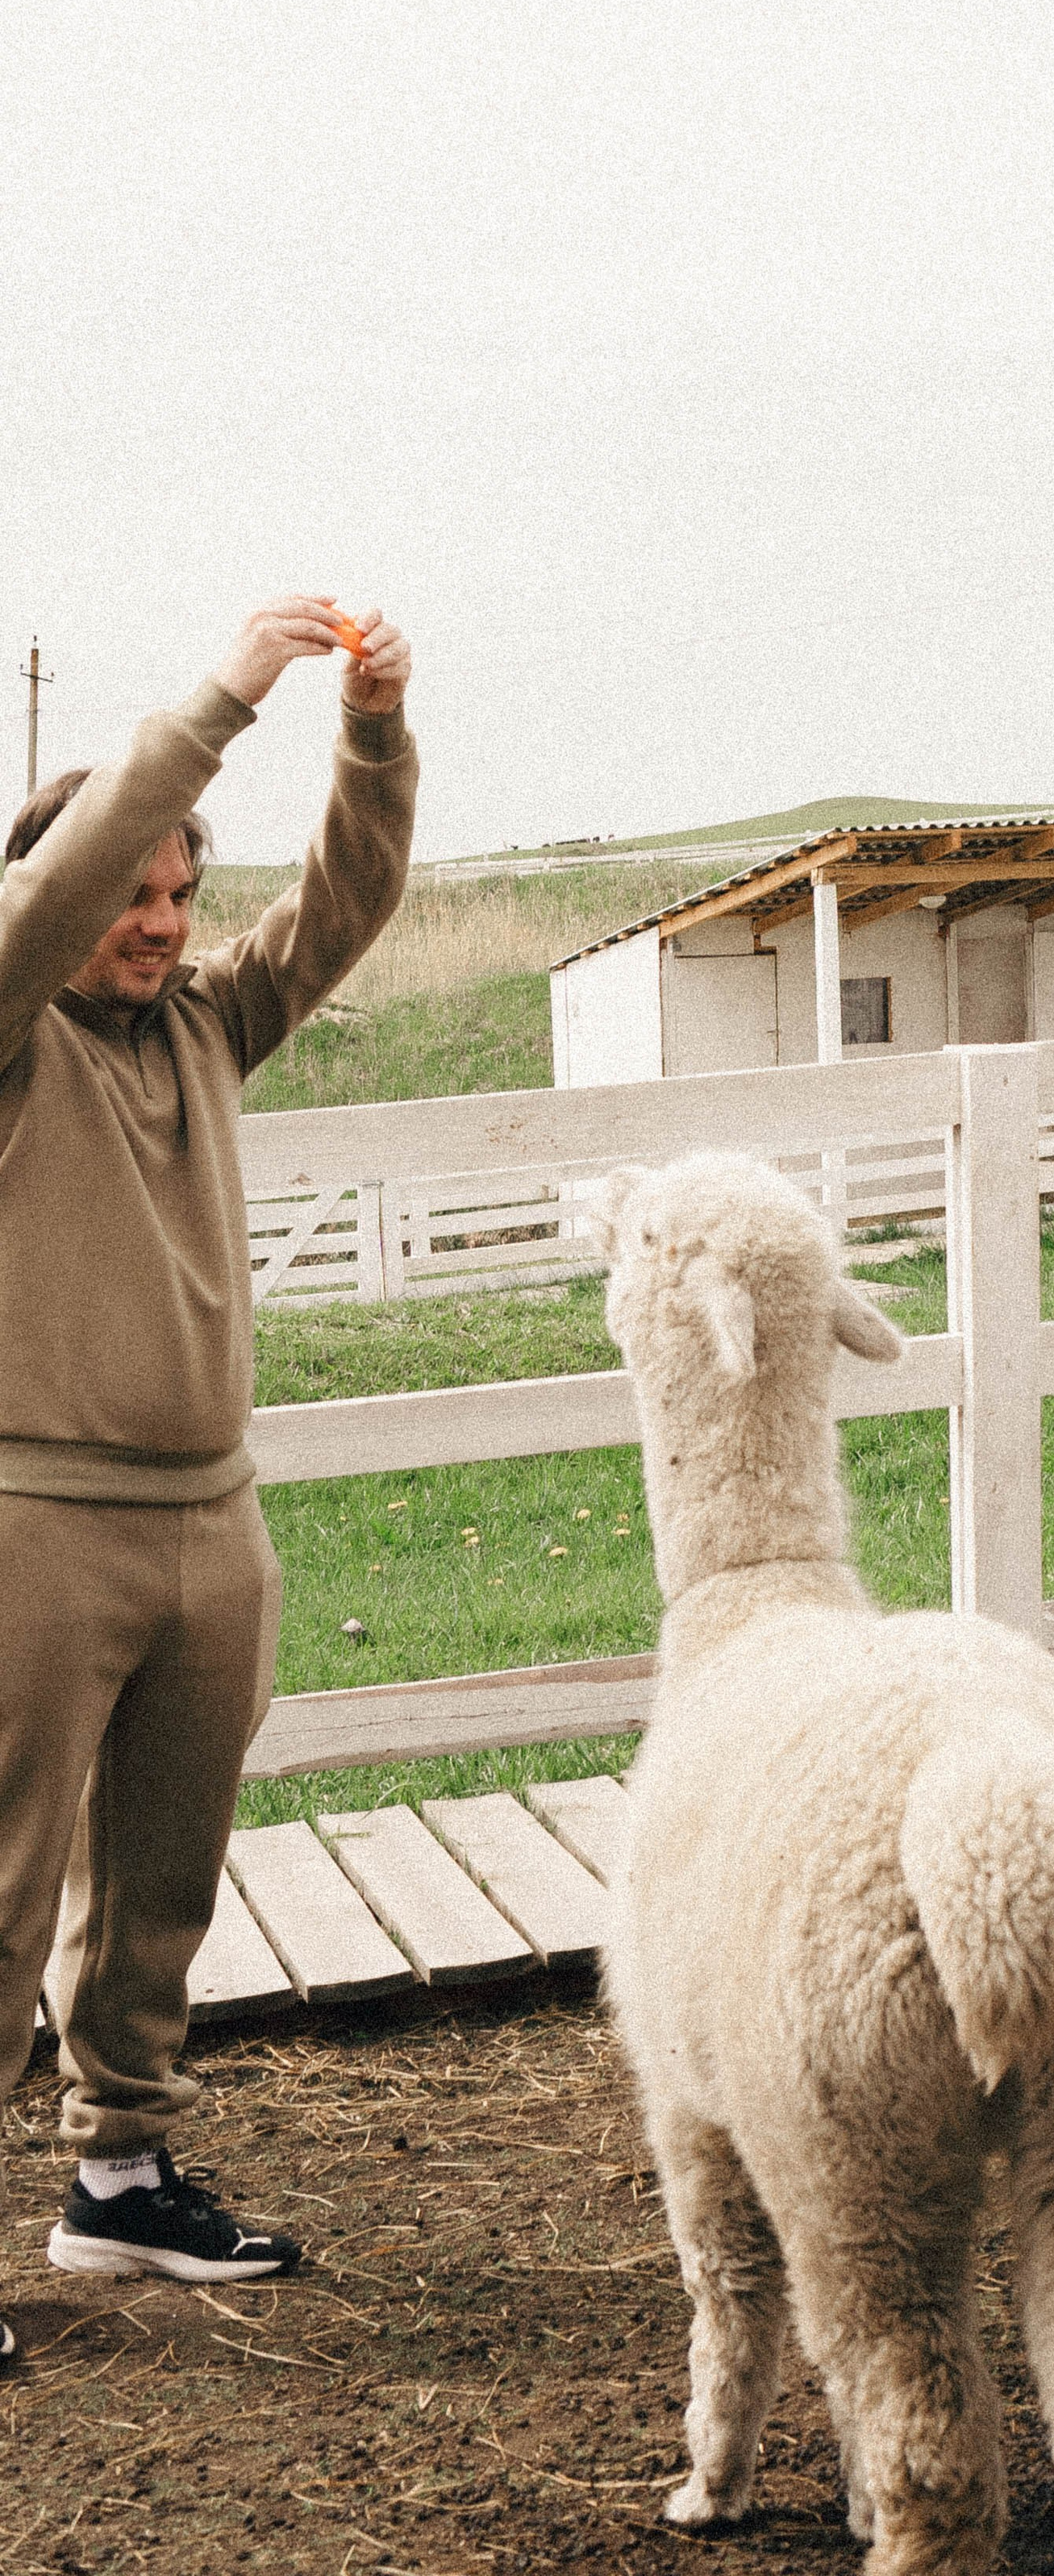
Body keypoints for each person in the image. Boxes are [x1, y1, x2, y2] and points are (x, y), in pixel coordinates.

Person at [0, 597, 416, 2341]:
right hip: (33, 1525)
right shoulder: (10, 1033)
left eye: (181, 894)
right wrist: (226, 696)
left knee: (161, 1883)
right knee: (0, 1892)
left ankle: (119, 2184)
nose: (160, 923)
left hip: (210, 1520)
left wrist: (372, 728)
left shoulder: (207, 1027)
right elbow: (64, 872)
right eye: (131, 893)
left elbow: (350, 899)